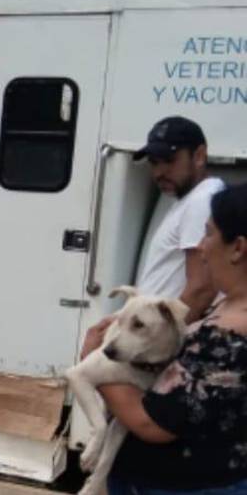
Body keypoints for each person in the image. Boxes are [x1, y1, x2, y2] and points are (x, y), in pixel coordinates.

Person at [81, 183, 247, 494]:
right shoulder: (227, 307)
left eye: (208, 234)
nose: (201, 247)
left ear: (237, 248)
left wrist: (97, 359)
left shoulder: (226, 339)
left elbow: (153, 424)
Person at [134, 116, 226, 321]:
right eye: (154, 162)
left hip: (162, 333)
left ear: (199, 156)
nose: (159, 172)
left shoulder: (202, 200)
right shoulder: (191, 199)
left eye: (169, 160)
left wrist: (166, 335)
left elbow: (201, 288)